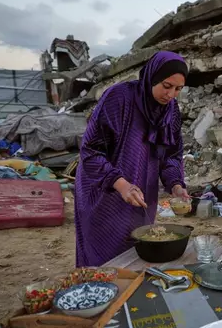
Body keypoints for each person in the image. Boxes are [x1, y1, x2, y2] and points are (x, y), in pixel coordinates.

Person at [74, 51, 191, 267]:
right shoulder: (119, 98)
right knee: (103, 256)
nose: (171, 94)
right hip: (104, 190)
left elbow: (171, 154)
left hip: (142, 192)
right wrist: (121, 184)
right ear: (152, 77)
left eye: (178, 89)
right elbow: (90, 151)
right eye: (166, 86)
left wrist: (175, 184)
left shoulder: (170, 111)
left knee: (137, 247)